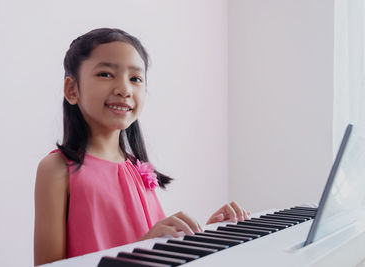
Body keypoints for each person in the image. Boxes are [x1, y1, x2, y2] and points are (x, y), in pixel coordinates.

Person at [34, 28, 250, 266]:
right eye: (106, 74)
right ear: (72, 90)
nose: (124, 89)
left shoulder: (137, 169)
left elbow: (156, 250)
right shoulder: (57, 169)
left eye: (135, 79)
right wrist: (142, 248)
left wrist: (206, 232)